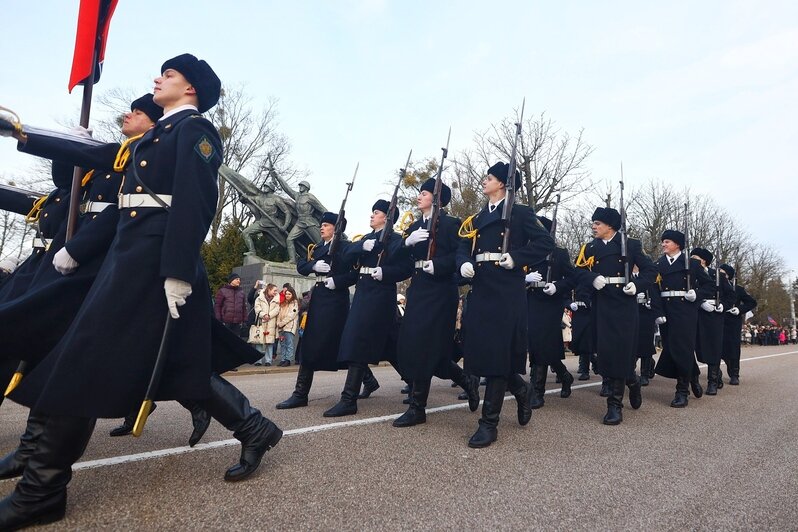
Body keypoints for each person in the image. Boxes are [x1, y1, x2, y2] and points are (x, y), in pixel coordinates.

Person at [0, 54, 281, 530]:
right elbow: (95, 157)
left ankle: (42, 491)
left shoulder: (196, 133)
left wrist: (176, 271)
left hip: (154, 261)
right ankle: (255, 426)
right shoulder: (153, 136)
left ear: (190, 89)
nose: (157, 78)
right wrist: (22, 134)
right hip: (126, 259)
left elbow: (196, 202)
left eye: (168, 74)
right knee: (158, 363)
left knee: (84, 360)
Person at [456, 162, 554, 447]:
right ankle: (521, 391)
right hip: (482, 284)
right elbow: (463, 244)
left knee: (499, 351)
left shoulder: (520, 212)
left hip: (507, 287)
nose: (484, 182)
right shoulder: (476, 217)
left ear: (502, 183)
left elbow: (545, 243)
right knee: (483, 350)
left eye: (489, 178)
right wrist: (463, 262)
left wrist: (518, 257)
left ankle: (489, 423)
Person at [391, 178, 480, 427]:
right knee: (420, 347)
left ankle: (417, 407)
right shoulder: (415, 226)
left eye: (424, 193)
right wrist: (406, 242)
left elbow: (461, 255)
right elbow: (394, 255)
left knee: (428, 347)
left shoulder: (452, 224)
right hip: (418, 289)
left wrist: (439, 265)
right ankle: (466, 380)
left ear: (437, 199)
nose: (419, 197)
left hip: (441, 290)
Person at [323, 199, 413, 417]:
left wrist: (386, 273)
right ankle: (416, 385)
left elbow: (406, 267)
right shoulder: (365, 238)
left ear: (387, 217)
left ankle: (349, 399)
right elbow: (344, 255)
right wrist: (360, 246)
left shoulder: (395, 239)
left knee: (359, 342)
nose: (372, 216)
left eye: (376, 213)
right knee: (391, 346)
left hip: (380, 295)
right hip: (364, 293)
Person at [573, 207, 657, 425]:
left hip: (624, 303)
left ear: (610, 226)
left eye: (598, 223)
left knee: (620, 351)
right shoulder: (589, 247)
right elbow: (577, 271)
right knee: (605, 352)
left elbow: (651, 271)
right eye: (593, 223)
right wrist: (591, 278)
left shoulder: (631, 244)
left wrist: (636, 285)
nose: (594, 226)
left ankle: (615, 405)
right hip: (601, 303)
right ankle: (632, 380)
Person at [275, 212, 359, 409]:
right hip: (319, 297)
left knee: (340, 342)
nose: (321, 227)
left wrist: (337, 281)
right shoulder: (317, 248)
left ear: (336, 228)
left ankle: (366, 379)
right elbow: (301, 266)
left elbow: (355, 274)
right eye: (321, 225)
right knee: (310, 342)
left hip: (335, 298)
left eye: (327, 225)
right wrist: (314, 265)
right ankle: (300, 393)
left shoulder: (346, 247)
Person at [525, 215, 586, 409]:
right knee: (538, 343)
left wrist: (557, 286)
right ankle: (564, 375)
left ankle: (537, 391)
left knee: (542, 342)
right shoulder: (527, 251)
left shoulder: (559, 253)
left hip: (550, 302)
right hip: (531, 299)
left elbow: (573, 277)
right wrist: (524, 278)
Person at [653, 230, 713, 408]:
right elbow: (654, 290)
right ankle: (692, 375)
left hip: (685, 310)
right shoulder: (659, 264)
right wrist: (657, 311)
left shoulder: (692, 264)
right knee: (672, 348)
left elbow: (709, 285)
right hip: (667, 310)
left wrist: (697, 294)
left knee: (683, 348)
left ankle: (682, 391)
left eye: (667, 241)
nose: (663, 244)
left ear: (677, 244)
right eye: (663, 241)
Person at [691, 248, 733, 395]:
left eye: (695, 258)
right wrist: (700, 302)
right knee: (696, 348)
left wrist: (723, 305)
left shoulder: (717, 276)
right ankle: (694, 378)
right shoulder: (689, 274)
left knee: (713, 347)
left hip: (714, 315)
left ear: (703, 261)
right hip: (695, 312)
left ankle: (712, 381)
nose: (692, 260)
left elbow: (730, 296)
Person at [719, 264, 757, 385]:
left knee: (733, 349)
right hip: (718, 319)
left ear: (728, 275)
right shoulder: (713, 286)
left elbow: (752, 302)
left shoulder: (738, 289)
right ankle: (715, 373)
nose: (720, 275)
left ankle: (734, 373)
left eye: (723, 273)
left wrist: (740, 309)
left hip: (732, 322)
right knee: (717, 347)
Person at [569, 284, 595, 381]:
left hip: (588, 312)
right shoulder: (576, 277)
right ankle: (595, 361)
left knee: (585, 342)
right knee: (577, 340)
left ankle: (585, 370)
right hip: (577, 311)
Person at [252, 283, 280, 365]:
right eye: (274, 290)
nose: (276, 292)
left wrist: (269, 315)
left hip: (271, 322)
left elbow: (277, 309)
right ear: (269, 290)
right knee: (259, 342)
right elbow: (257, 308)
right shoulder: (259, 298)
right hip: (261, 322)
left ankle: (268, 360)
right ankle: (258, 360)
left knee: (270, 342)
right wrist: (263, 315)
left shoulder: (277, 299)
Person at [214, 272, 248, 338]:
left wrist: (245, 320)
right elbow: (217, 305)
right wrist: (219, 319)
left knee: (236, 340)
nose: (239, 281)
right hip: (225, 321)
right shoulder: (223, 291)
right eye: (236, 279)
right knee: (225, 339)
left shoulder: (241, 292)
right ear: (231, 280)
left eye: (239, 279)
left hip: (237, 322)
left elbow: (244, 307)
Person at [276, 285, 299, 366]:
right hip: (281, 327)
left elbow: (291, 316)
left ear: (292, 294)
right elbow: (279, 314)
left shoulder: (295, 303)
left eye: (289, 294)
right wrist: (278, 323)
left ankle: (288, 359)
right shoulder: (283, 303)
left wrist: (282, 323)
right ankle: (283, 359)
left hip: (289, 327)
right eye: (286, 294)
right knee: (282, 344)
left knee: (289, 344)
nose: (287, 296)